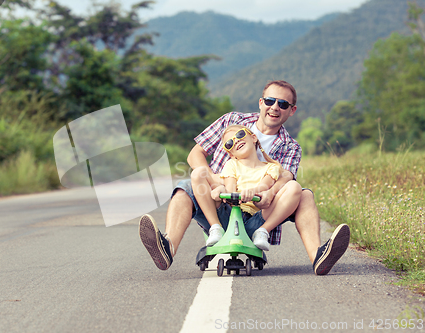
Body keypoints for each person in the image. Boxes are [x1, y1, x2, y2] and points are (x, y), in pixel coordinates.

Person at [138, 80, 350, 275]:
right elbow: (195, 154)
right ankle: (168, 247)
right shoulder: (233, 121)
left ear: (292, 110)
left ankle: (318, 256)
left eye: (283, 104)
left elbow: (285, 178)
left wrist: (268, 193)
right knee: (186, 185)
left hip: (259, 215)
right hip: (219, 208)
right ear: (261, 102)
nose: (275, 107)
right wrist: (214, 181)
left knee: (303, 194)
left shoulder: (290, 147)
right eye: (270, 100)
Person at [192, 125, 302, 251]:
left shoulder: (271, 167)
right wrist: (221, 191)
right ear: (231, 154)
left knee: (294, 186)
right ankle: (216, 227)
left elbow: (264, 186)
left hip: (255, 219)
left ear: (253, 137)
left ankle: (263, 231)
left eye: (239, 135)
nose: (236, 141)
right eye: (229, 143)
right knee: (198, 172)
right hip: (230, 217)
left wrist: (253, 192)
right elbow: (230, 189)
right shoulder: (232, 164)